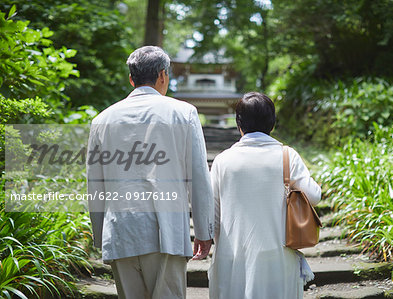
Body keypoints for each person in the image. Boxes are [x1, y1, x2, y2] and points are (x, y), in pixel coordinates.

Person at [87, 46, 214, 299]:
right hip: (166, 232)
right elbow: (199, 175)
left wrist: (102, 236)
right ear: (162, 75)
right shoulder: (184, 113)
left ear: (131, 79)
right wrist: (203, 230)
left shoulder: (102, 120)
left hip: (120, 232)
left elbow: (95, 185)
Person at [208, 92, 321, 299]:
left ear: (239, 123)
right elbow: (314, 196)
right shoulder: (288, 156)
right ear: (272, 123)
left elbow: (213, 216)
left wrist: (216, 244)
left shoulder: (223, 161)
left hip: (233, 257)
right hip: (278, 256)